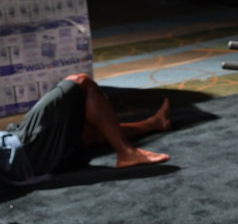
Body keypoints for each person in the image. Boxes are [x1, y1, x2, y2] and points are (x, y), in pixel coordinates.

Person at [1, 73, 171, 186]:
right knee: (81, 82)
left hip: (17, 146)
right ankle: (127, 153)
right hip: (24, 151)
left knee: (87, 132)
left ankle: (154, 123)